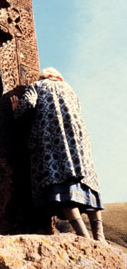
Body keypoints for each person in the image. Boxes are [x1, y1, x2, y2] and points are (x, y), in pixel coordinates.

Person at [10, 67, 106, 243]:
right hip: (79, 142)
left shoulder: (37, 86)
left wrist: (17, 109)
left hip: (54, 142)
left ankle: (83, 236)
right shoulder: (70, 89)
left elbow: (29, 104)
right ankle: (100, 238)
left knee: (64, 187)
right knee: (88, 186)